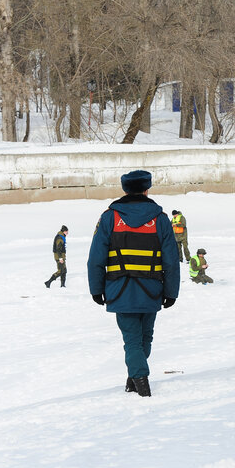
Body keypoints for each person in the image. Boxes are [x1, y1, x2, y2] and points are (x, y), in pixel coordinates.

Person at [87, 170, 180, 397]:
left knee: (132, 340)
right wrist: (171, 292)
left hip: (120, 290)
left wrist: (96, 289)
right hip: (151, 289)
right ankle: (137, 377)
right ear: (147, 189)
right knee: (145, 337)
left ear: (125, 190)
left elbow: (96, 258)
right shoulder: (161, 219)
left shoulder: (109, 217)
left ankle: (139, 380)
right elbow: (171, 260)